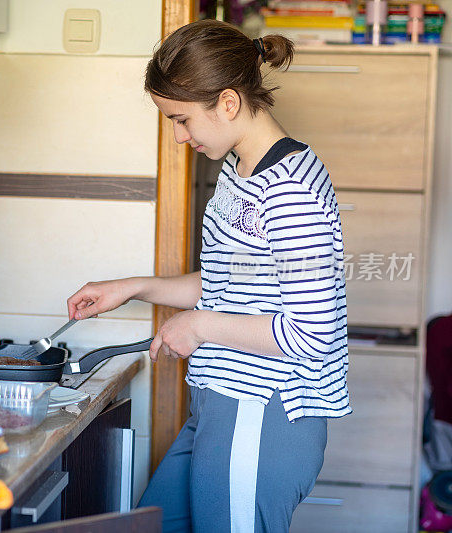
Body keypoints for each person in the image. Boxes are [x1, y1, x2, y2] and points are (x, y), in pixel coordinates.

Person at [66, 20, 350, 533]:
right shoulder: (241, 171)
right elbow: (227, 282)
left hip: (264, 414)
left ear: (227, 102)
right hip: (222, 405)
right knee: (151, 523)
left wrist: (197, 326)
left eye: (181, 119)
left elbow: (311, 333)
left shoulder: (292, 192)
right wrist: (133, 288)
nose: (178, 136)